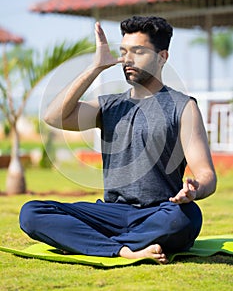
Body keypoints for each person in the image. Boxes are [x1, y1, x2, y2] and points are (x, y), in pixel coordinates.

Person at [19, 16, 217, 264]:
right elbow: (53, 116)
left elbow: (207, 174)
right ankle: (126, 249)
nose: (127, 59)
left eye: (138, 51)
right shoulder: (109, 105)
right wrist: (95, 68)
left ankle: (92, 241)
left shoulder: (183, 107)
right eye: (124, 51)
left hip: (159, 212)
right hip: (111, 212)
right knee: (32, 213)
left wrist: (194, 191)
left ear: (162, 57)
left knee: (186, 217)